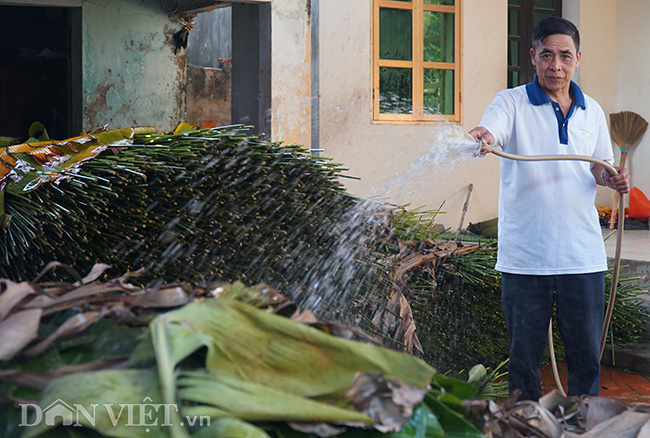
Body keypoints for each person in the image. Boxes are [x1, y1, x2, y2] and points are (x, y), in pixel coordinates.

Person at [469, 16, 630, 401]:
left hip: (582, 256)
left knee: (587, 358)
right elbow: (492, 129)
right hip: (526, 258)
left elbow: (598, 167)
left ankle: (583, 422)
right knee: (523, 359)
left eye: (564, 56)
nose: (555, 65)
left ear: (578, 58)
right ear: (532, 56)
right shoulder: (510, 102)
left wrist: (613, 180)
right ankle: (523, 423)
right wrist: (484, 136)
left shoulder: (592, 110)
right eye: (546, 55)